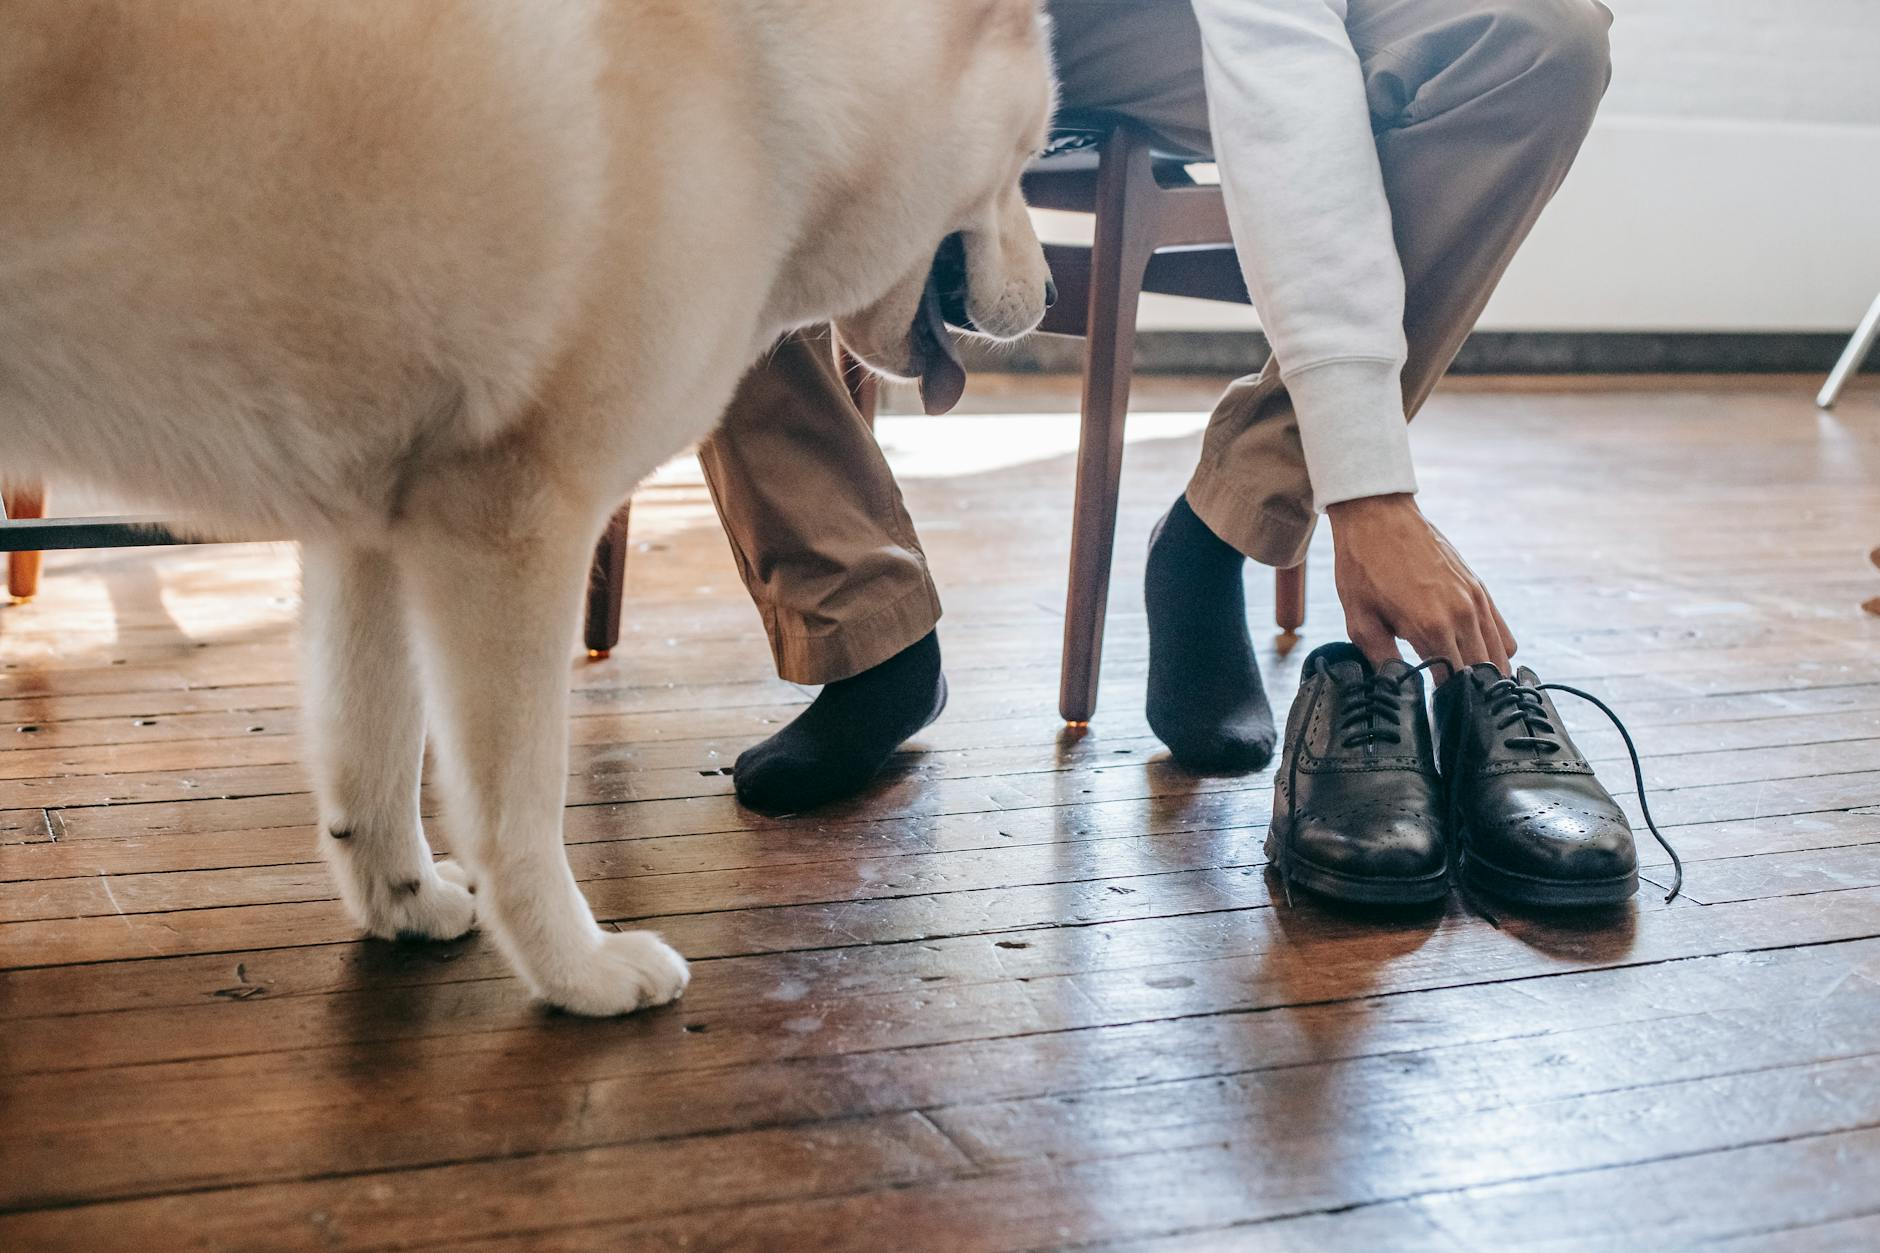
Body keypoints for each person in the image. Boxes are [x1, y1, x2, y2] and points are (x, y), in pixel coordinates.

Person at [699, 0, 1643, 907]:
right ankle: (860, 620)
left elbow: (1275, 39)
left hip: (1138, 18)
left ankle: (1224, 521)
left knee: (1537, 42)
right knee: (689, 67)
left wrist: (1368, 487)